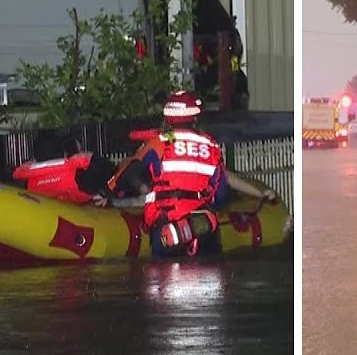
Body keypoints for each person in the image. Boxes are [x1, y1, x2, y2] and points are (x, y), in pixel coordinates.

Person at [96, 90, 277, 257]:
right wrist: (260, 194)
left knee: (164, 281)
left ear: (168, 118)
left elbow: (128, 172)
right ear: (195, 117)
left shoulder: (159, 143)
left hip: (168, 227)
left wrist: (107, 192)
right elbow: (221, 189)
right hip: (204, 227)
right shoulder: (210, 146)